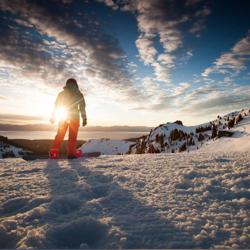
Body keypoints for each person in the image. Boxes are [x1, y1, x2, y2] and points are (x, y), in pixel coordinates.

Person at [49, 78, 87, 159]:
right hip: (75, 118)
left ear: (67, 84)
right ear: (76, 84)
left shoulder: (61, 94)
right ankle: (71, 154)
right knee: (72, 136)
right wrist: (84, 119)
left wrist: (53, 117)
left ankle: (54, 153)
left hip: (64, 117)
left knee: (60, 134)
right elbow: (82, 108)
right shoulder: (79, 94)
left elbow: (57, 107)